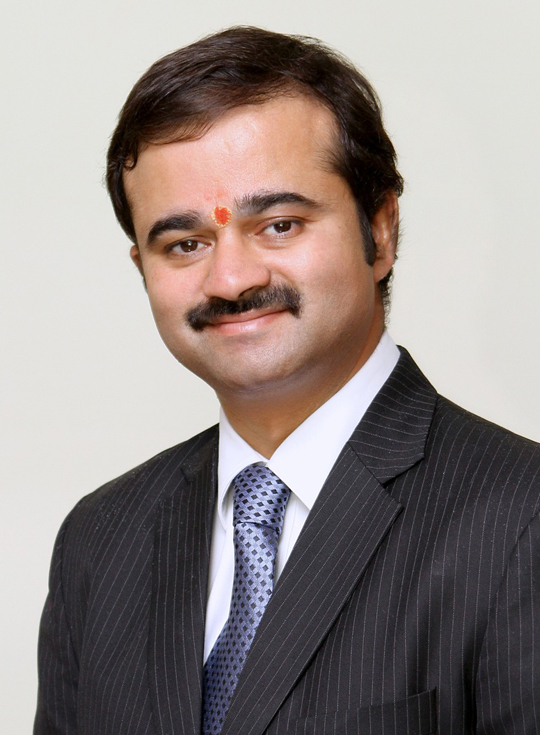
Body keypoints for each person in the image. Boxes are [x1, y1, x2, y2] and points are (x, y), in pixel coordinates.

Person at [34, 26, 540, 735]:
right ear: (142, 269)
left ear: (380, 231)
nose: (231, 279)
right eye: (185, 243)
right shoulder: (100, 540)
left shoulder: (521, 518)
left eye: (279, 225)